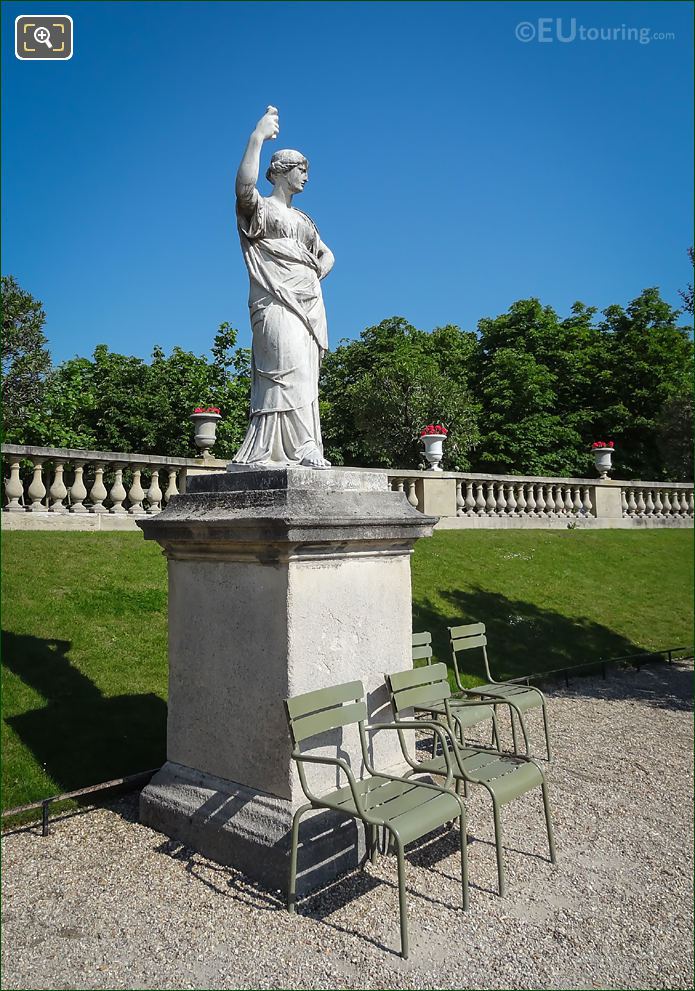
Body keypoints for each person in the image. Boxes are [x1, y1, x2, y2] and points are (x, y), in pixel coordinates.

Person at [231, 106, 334, 469]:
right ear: (281, 172)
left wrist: (318, 268)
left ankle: (304, 446)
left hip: (307, 304)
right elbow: (244, 188)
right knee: (284, 368)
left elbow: (327, 254)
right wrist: (257, 138)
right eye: (300, 170)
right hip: (274, 299)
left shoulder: (304, 219)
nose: (306, 177)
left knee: (306, 376)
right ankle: (275, 448)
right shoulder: (262, 208)